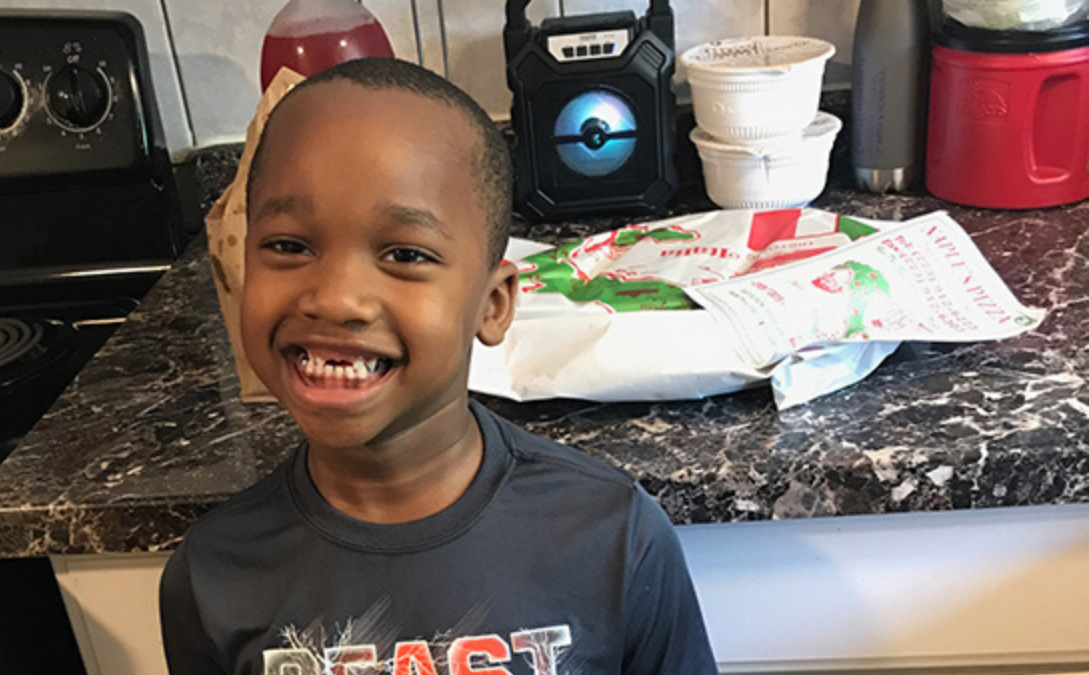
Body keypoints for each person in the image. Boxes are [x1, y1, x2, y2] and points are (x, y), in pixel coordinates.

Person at [159, 57, 718, 675]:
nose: (335, 298)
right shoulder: (213, 572)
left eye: (404, 253)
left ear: (493, 303)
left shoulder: (611, 535)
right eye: (289, 246)